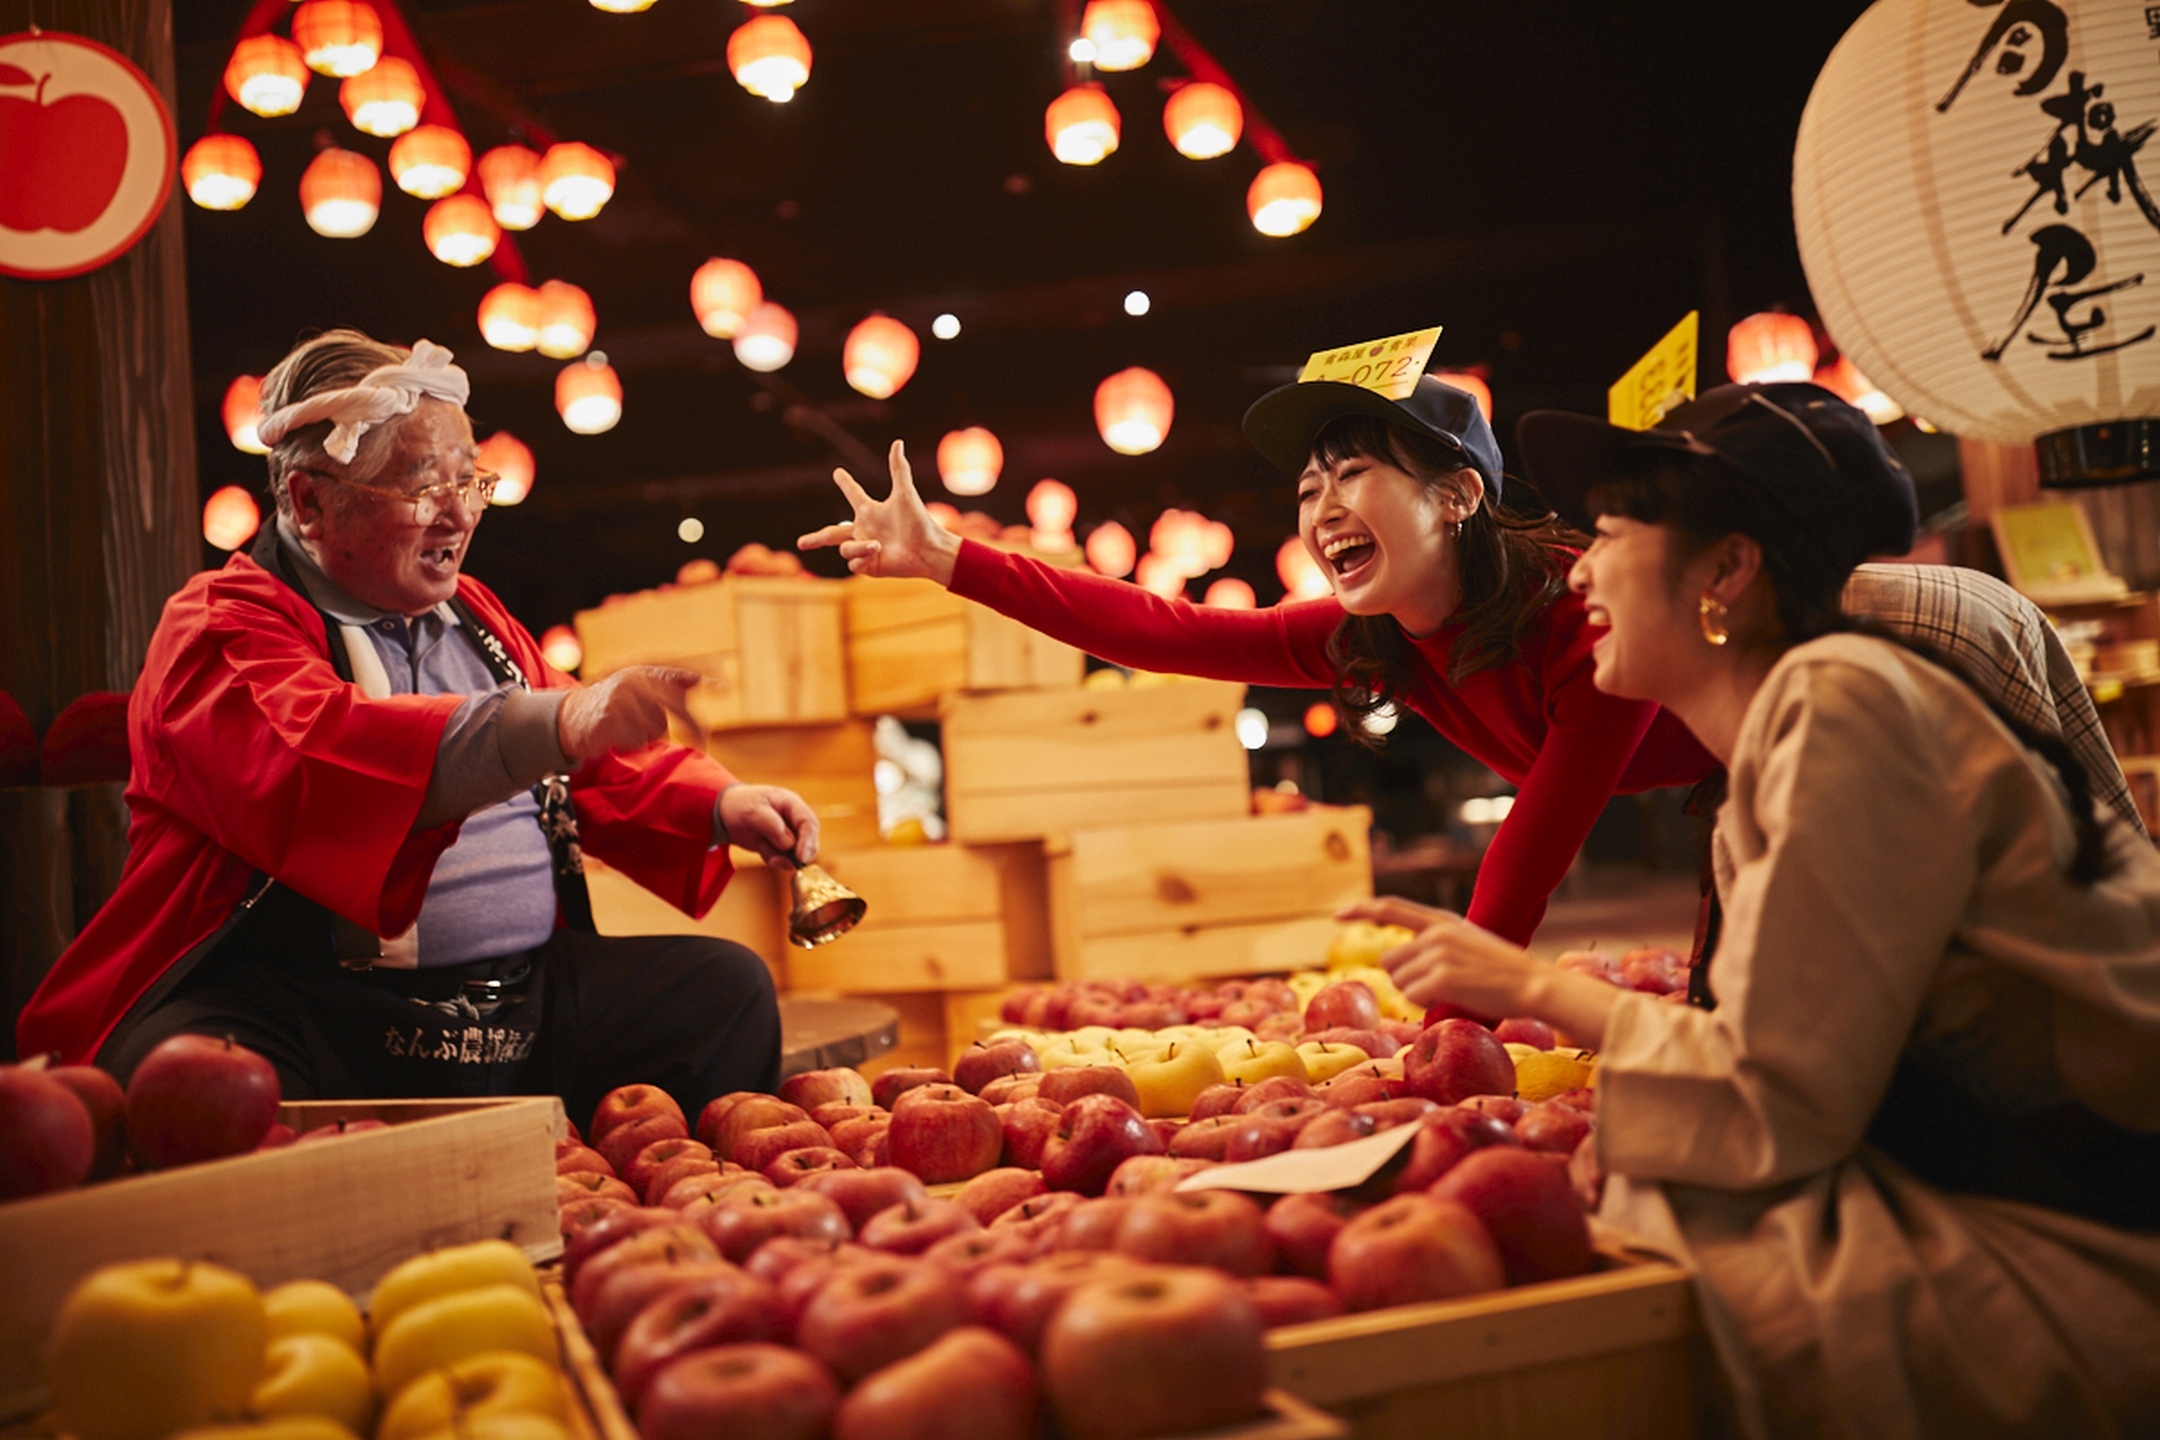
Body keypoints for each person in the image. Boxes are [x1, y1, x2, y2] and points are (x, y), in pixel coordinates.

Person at [1348, 383, 2160, 1438]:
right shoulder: (1788, 732)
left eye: (1610, 532)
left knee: (1676, 1258)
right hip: (2024, 1178)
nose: (1579, 569)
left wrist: (1530, 987)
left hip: (2092, 1220)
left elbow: (1783, 1100)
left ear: (1727, 570)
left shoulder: (1840, 704)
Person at [16, 331, 816, 1129]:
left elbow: (587, 759)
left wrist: (720, 805)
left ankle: (674, 1201)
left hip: (513, 1004)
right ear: (307, 502)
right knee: (203, 1078)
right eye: (420, 485)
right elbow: (322, 760)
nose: (460, 510)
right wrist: (560, 721)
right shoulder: (218, 628)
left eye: (470, 479)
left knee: (722, 992)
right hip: (315, 1007)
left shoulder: (476, 615)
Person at [805, 377, 1715, 946]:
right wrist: (945, 558)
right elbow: (1169, 630)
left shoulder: (1588, 612)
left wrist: (1453, 1033)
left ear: (1459, 495)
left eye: (1354, 472)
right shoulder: (1373, 634)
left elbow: (1527, 860)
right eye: (1309, 488)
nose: (1322, 509)